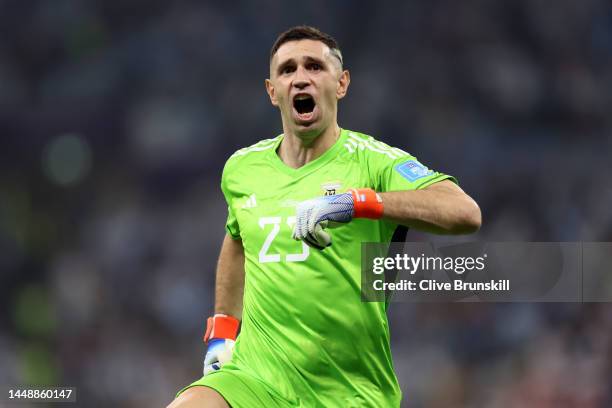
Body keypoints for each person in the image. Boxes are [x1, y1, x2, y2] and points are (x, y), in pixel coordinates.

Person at [168, 25, 481, 408]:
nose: (301, 77)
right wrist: (221, 335)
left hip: (349, 391)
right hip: (255, 380)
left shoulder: (375, 161)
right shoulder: (242, 169)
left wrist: (361, 203)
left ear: (341, 83)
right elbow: (237, 241)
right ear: (272, 91)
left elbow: (464, 213)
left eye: (314, 66)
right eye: (287, 70)